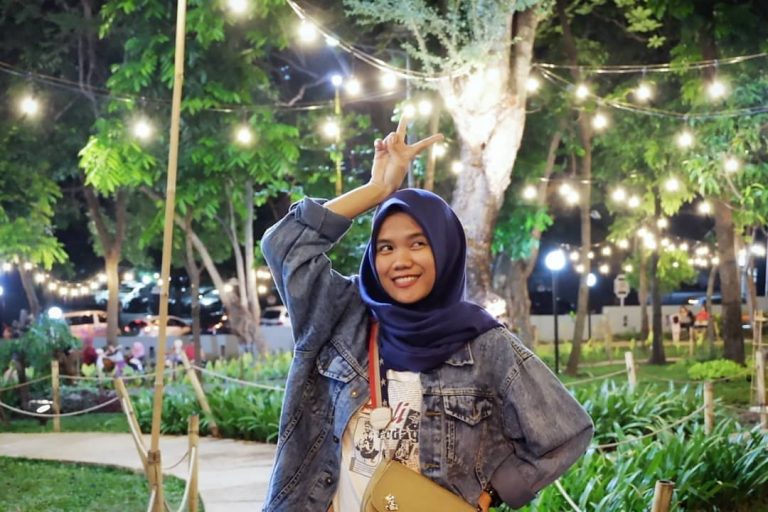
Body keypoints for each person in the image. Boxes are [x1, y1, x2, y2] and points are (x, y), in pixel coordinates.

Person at [260, 117, 593, 512]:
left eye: (418, 244)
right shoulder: (340, 314)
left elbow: (566, 432)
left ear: (445, 250)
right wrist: (377, 189)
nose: (400, 260)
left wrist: (493, 492)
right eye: (385, 247)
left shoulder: (486, 345)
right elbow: (284, 246)